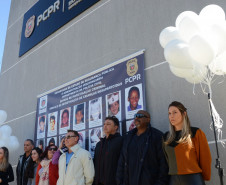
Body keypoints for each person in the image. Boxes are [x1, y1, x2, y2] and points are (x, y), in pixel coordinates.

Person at [163, 101, 212, 185]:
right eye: (169, 113)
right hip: (173, 180)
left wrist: (205, 176)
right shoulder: (166, 137)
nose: (171, 116)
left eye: (175, 112)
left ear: (184, 114)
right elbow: (167, 161)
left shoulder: (196, 133)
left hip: (193, 179)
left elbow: (205, 159)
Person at [116, 110, 169, 185]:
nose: (136, 118)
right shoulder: (128, 138)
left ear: (148, 119)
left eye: (140, 116)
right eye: (135, 116)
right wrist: (119, 182)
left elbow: (164, 164)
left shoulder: (157, 136)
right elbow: (121, 162)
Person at [94, 116, 123, 185]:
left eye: (108, 124)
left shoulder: (121, 141)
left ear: (116, 127)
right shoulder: (99, 144)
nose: (105, 126)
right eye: (104, 124)